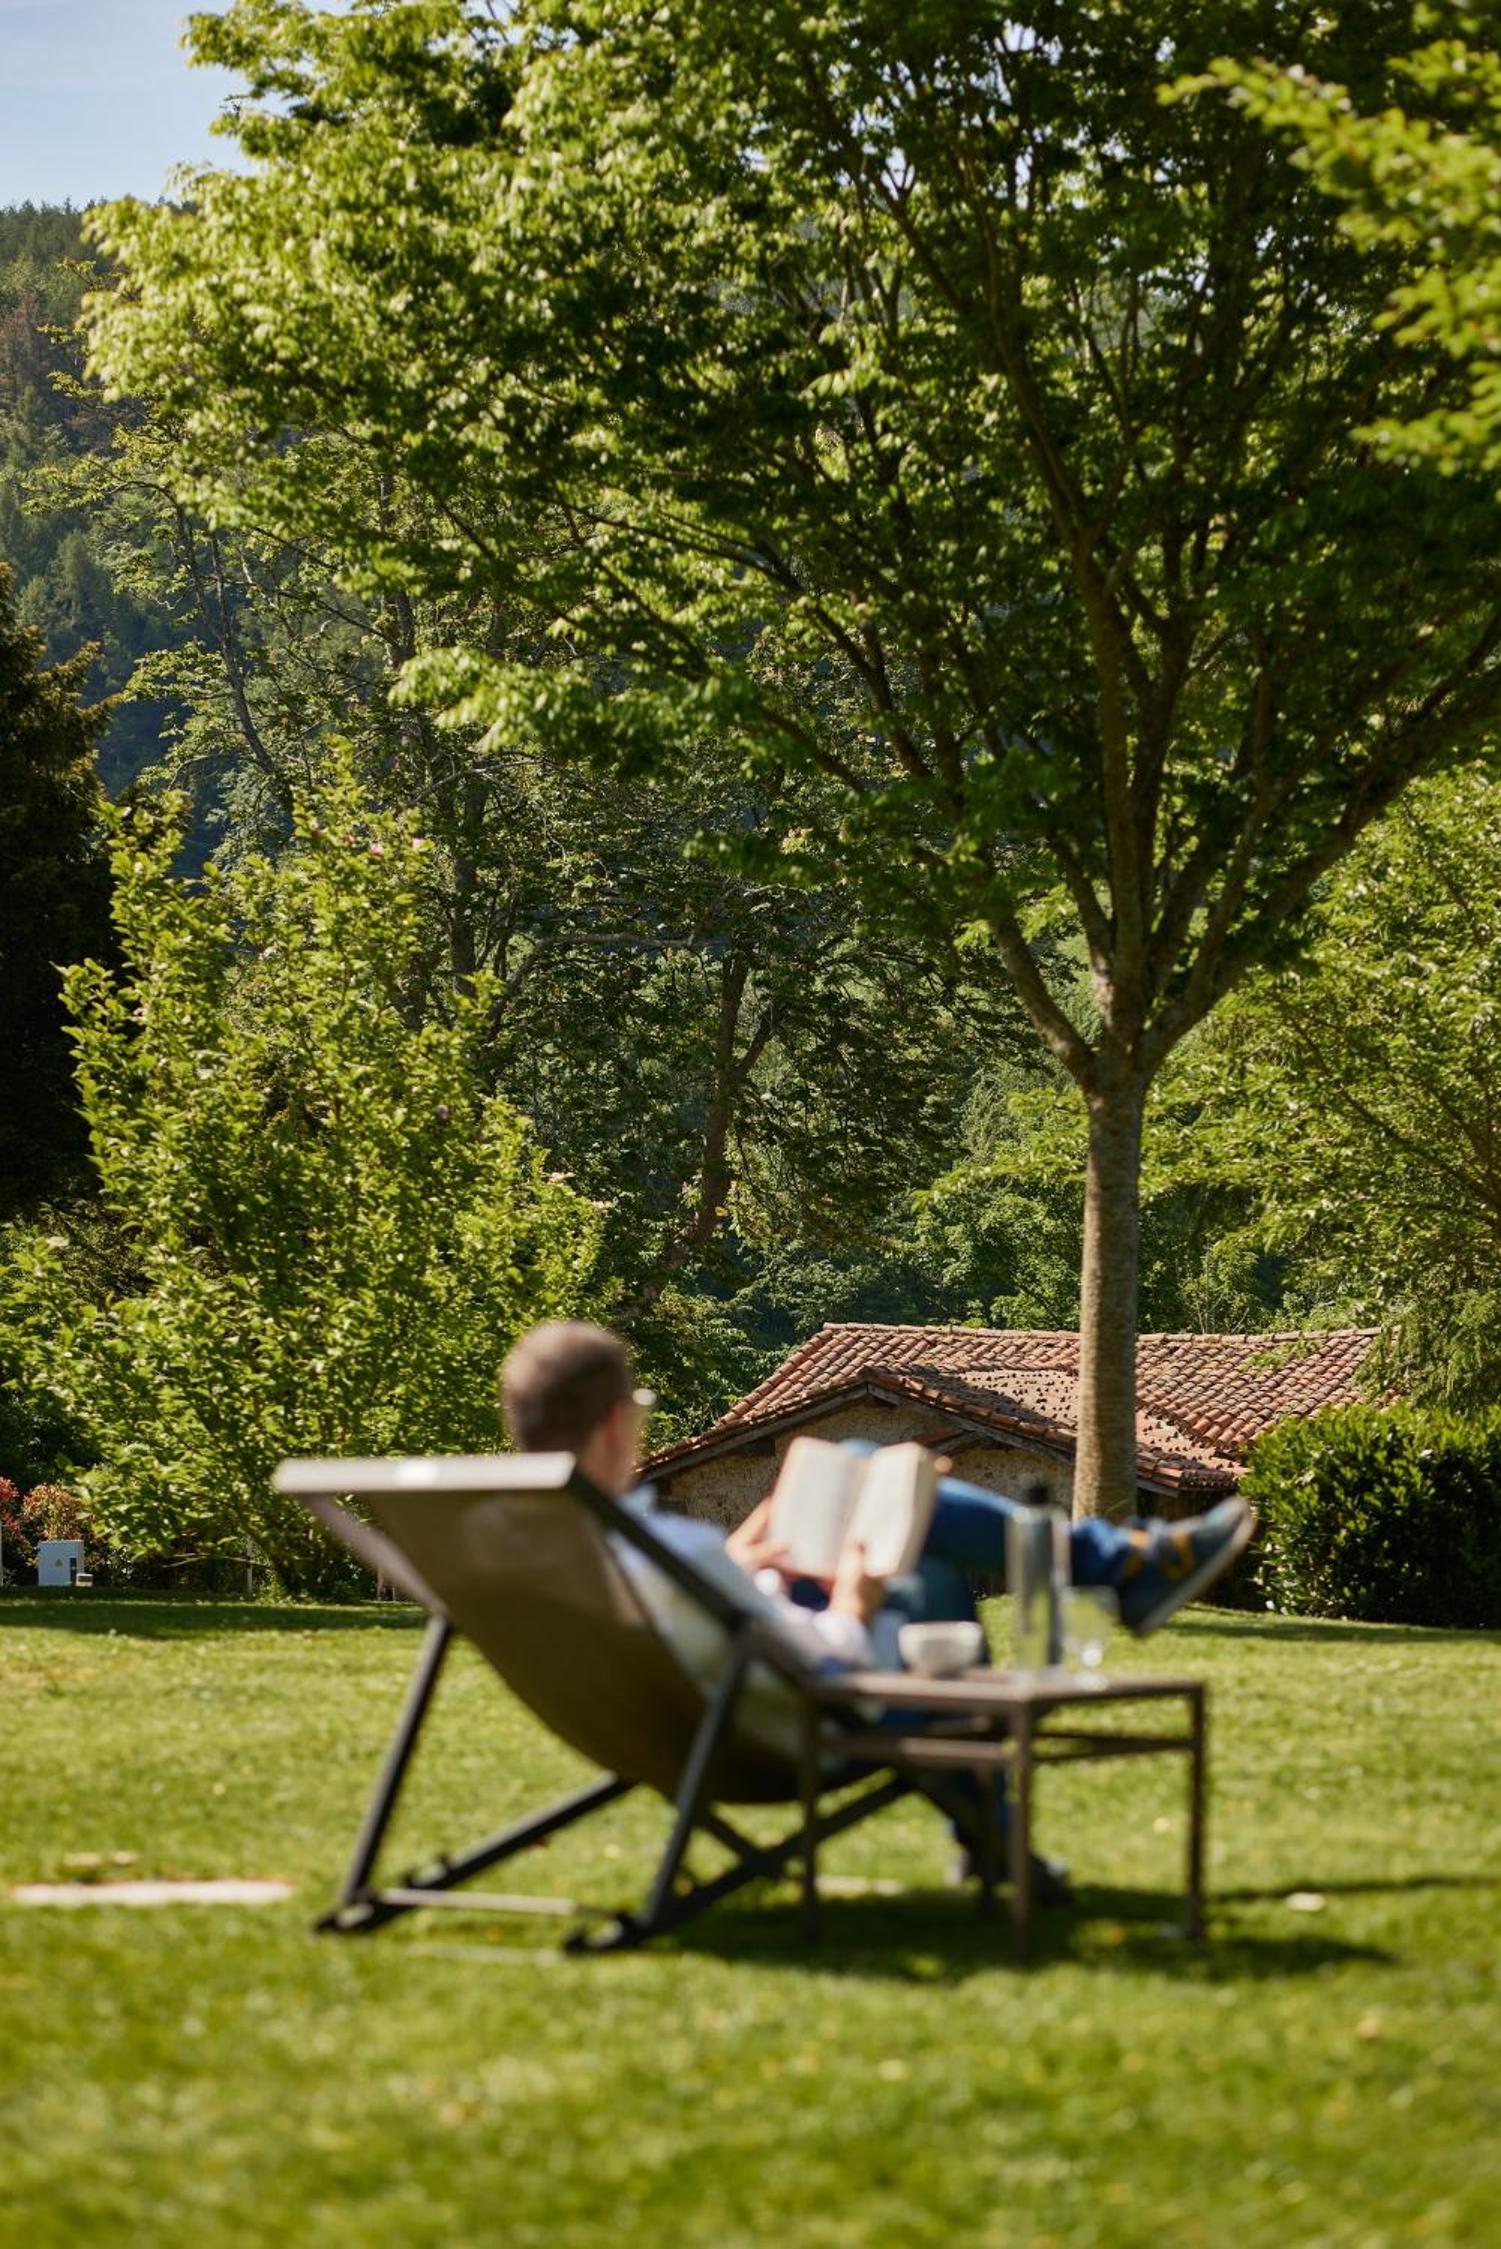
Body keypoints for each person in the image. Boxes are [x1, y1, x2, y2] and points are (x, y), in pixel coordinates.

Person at [500, 1321, 1252, 1892]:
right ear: (613, 1425)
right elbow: (822, 1653)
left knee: (863, 1466)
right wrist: (855, 1600)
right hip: (803, 1713)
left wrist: (743, 1564)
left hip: (690, 1714)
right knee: (913, 1532)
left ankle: (1111, 1573)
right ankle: (1113, 1567)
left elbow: (682, 1619)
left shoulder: (535, 1547)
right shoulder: (665, 1549)